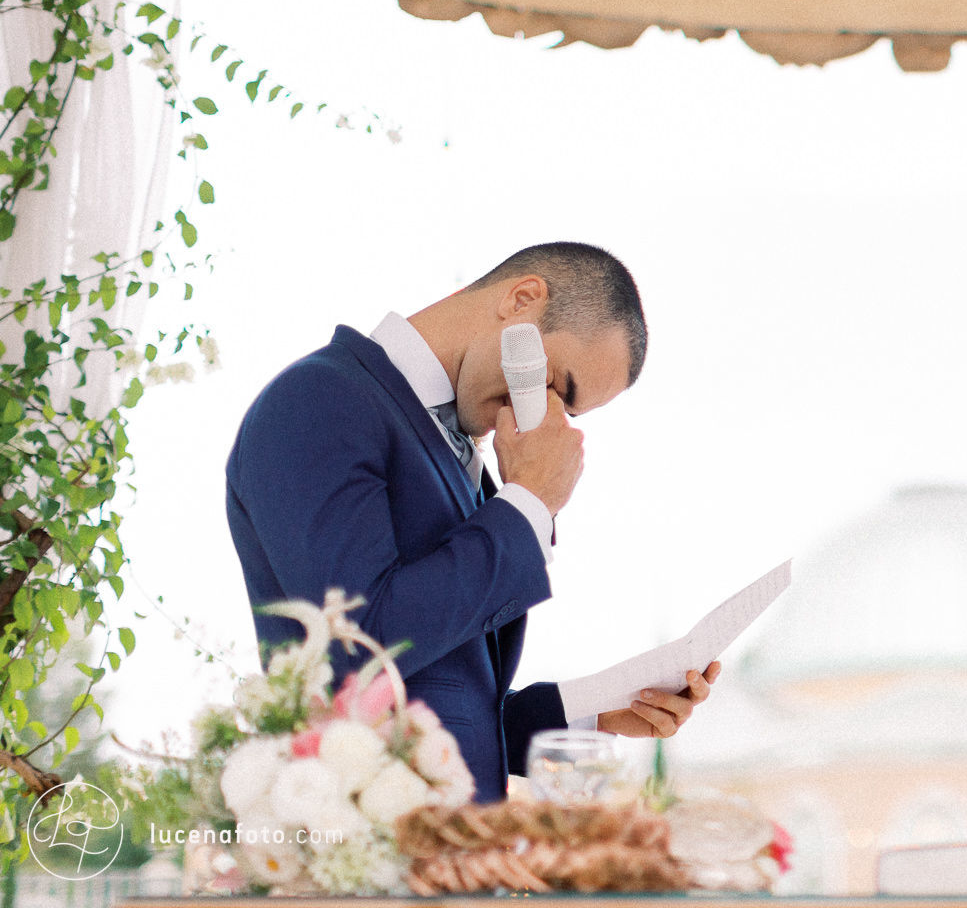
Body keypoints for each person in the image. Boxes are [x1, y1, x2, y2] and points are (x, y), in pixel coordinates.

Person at [226, 242, 719, 802]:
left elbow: (439, 703)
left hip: (460, 862)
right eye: (557, 385)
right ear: (523, 298)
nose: (548, 416)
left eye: (568, 411)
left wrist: (595, 710)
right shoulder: (320, 399)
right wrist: (528, 502)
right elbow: (359, 650)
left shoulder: (468, 466)